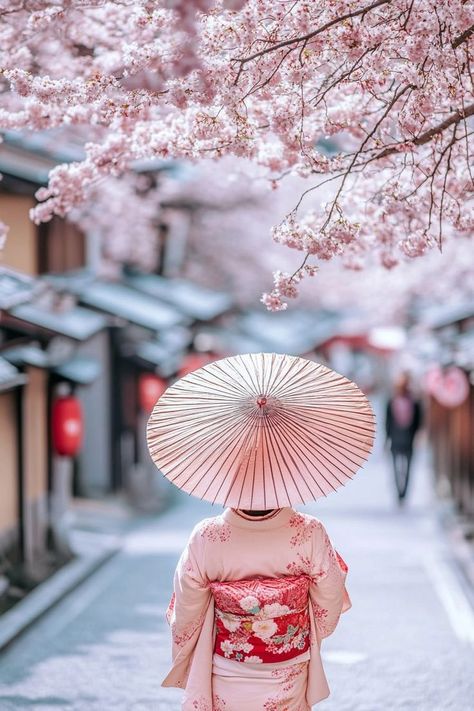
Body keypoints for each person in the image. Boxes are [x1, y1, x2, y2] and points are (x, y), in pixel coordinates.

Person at [162, 506, 350, 711]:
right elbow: (330, 596)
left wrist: (185, 641)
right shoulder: (310, 530)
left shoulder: (207, 534)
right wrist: (301, 631)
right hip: (289, 665)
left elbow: (187, 607)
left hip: (227, 666)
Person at [385, 371, 423, 502]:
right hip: (400, 439)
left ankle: (403, 492)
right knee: (400, 468)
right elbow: (388, 422)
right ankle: (400, 492)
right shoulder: (393, 402)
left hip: (406, 440)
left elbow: (418, 422)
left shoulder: (414, 403)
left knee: (404, 468)